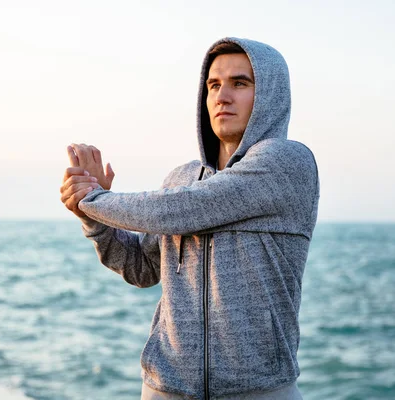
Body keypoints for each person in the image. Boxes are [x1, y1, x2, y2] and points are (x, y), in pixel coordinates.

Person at [60, 37, 319, 400]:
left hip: (260, 391)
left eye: (239, 83)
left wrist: (95, 200)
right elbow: (142, 269)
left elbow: (185, 208)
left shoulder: (288, 162)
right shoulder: (181, 179)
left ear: (270, 95)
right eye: (213, 85)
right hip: (165, 390)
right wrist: (94, 220)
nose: (221, 96)